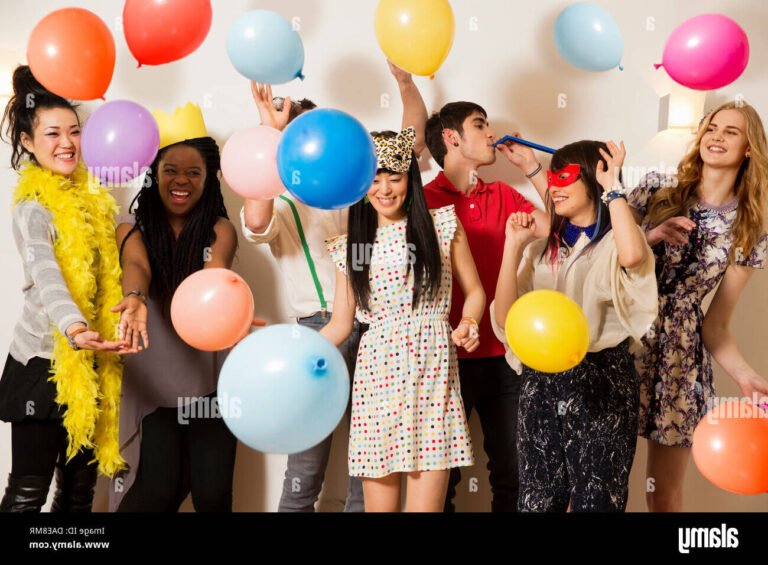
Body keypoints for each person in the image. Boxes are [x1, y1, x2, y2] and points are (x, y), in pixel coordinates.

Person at [241, 61, 428, 512]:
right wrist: (269, 131)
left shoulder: (363, 188)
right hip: (318, 328)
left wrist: (404, 82)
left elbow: (411, 146)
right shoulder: (281, 200)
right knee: (306, 465)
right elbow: (254, 220)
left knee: (370, 466)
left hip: (377, 330)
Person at [321, 127, 485, 511]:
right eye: (374, 179)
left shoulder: (441, 227)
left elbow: (475, 291)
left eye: (394, 177)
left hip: (432, 375)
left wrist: (470, 322)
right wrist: (287, 349)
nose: (384, 188)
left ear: (410, 179)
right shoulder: (352, 248)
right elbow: (340, 324)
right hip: (377, 381)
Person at [492, 139, 658, 511]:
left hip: (603, 378)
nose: (553, 186)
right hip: (541, 381)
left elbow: (632, 255)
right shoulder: (541, 248)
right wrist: (511, 247)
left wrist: (613, 185)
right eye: (551, 178)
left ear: (592, 179)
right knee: (537, 498)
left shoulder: (618, 240)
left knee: (598, 499)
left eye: (564, 177)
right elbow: (505, 318)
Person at [627, 101, 768, 512]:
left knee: (663, 495)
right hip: (622, 335)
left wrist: (747, 377)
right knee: (596, 477)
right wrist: (650, 235)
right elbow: (599, 252)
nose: (717, 137)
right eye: (712, 128)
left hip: (680, 361)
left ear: (748, 149)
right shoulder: (656, 188)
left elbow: (717, 326)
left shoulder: (749, 229)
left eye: (730, 131)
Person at [0, 65, 127, 512]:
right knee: (27, 493)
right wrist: (74, 326)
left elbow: (113, 267)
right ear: (29, 143)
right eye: (53, 134)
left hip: (90, 360)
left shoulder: (95, 201)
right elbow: (46, 274)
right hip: (42, 365)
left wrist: (129, 309)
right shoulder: (33, 209)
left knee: (78, 494)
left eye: (74, 131)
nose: (68, 143)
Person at [110, 102, 239, 512]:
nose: (181, 181)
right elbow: (136, 265)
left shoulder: (220, 229)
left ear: (208, 180)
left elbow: (212, 269)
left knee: (213, 493)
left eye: (194, 172)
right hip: (154, 387)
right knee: (157, 492)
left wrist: (223, 299)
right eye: (170, 170)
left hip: (210, 384)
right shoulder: (130, 229)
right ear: (154, 175)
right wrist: (134, 298)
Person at [423, 102, 549, 511]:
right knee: (441, 482)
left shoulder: (503, 194)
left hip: (505, 357)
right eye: (481, 125)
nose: (492, 134)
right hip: (442, 358)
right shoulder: (420, 201)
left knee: (515, 475)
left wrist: (533, 170)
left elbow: (560, 228)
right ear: (451, 137)